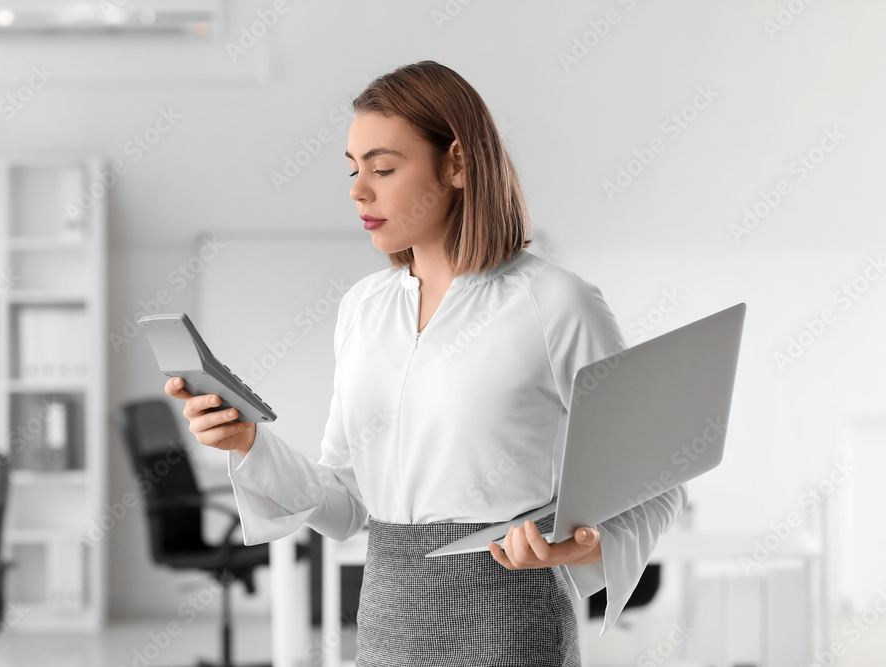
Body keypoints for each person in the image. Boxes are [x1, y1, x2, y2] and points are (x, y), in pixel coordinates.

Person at [165, 60, 687, 666]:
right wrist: (249, 443)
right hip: (391, 612)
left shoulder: (554, 303)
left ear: (458, 164)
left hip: (513, 622)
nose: (359, 189)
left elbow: (657, 478)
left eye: (383, 168)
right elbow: (346, 500)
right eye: (354, 169)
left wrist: (581, 546)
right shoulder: (362, 309)